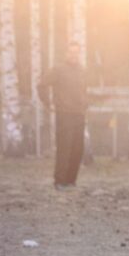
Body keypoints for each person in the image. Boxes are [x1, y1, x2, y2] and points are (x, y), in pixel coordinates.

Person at [37, 42, 89, 189]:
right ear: (66, 53)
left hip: (79, 114)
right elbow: (42, 85)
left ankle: (71, 181)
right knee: (64, 147)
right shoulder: (58, 69)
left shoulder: (82, 70)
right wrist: (48, 103)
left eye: (76, 53)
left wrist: (85, 103)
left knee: (78, 148)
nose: (74, 55)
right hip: (64, 114)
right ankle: (59, 181)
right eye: (71, 52)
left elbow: (84, 89)